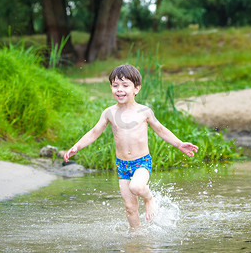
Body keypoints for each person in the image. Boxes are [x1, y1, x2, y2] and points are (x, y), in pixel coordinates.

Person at [64, 64, 198, 228]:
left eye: (125, 85)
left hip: (141, 162)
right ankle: (136, 235)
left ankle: (149, 198)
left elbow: (161, 130)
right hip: (122, 165)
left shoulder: (144, 112)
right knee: (130, 207)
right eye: (115, 85)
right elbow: (94, 132)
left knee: (137, 186)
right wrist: (76, 146)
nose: (119, 89)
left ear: (137, 89)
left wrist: (179, 144)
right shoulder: (109, 113)